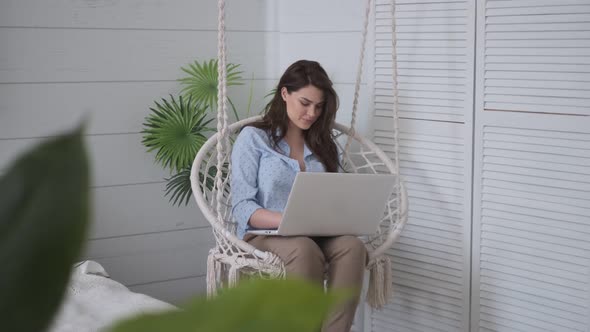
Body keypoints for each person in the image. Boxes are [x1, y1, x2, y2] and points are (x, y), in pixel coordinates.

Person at [230, 59, 367, 332]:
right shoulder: (253, 138)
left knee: (353, 247)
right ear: (284, 94)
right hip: (266, 235)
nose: (312, 113)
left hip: (318, 231)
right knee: (303, 250)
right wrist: (286, 219)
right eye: (305, 103)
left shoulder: (324, 144)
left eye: (318, 106)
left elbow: (334, 197)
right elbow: (243, 207)